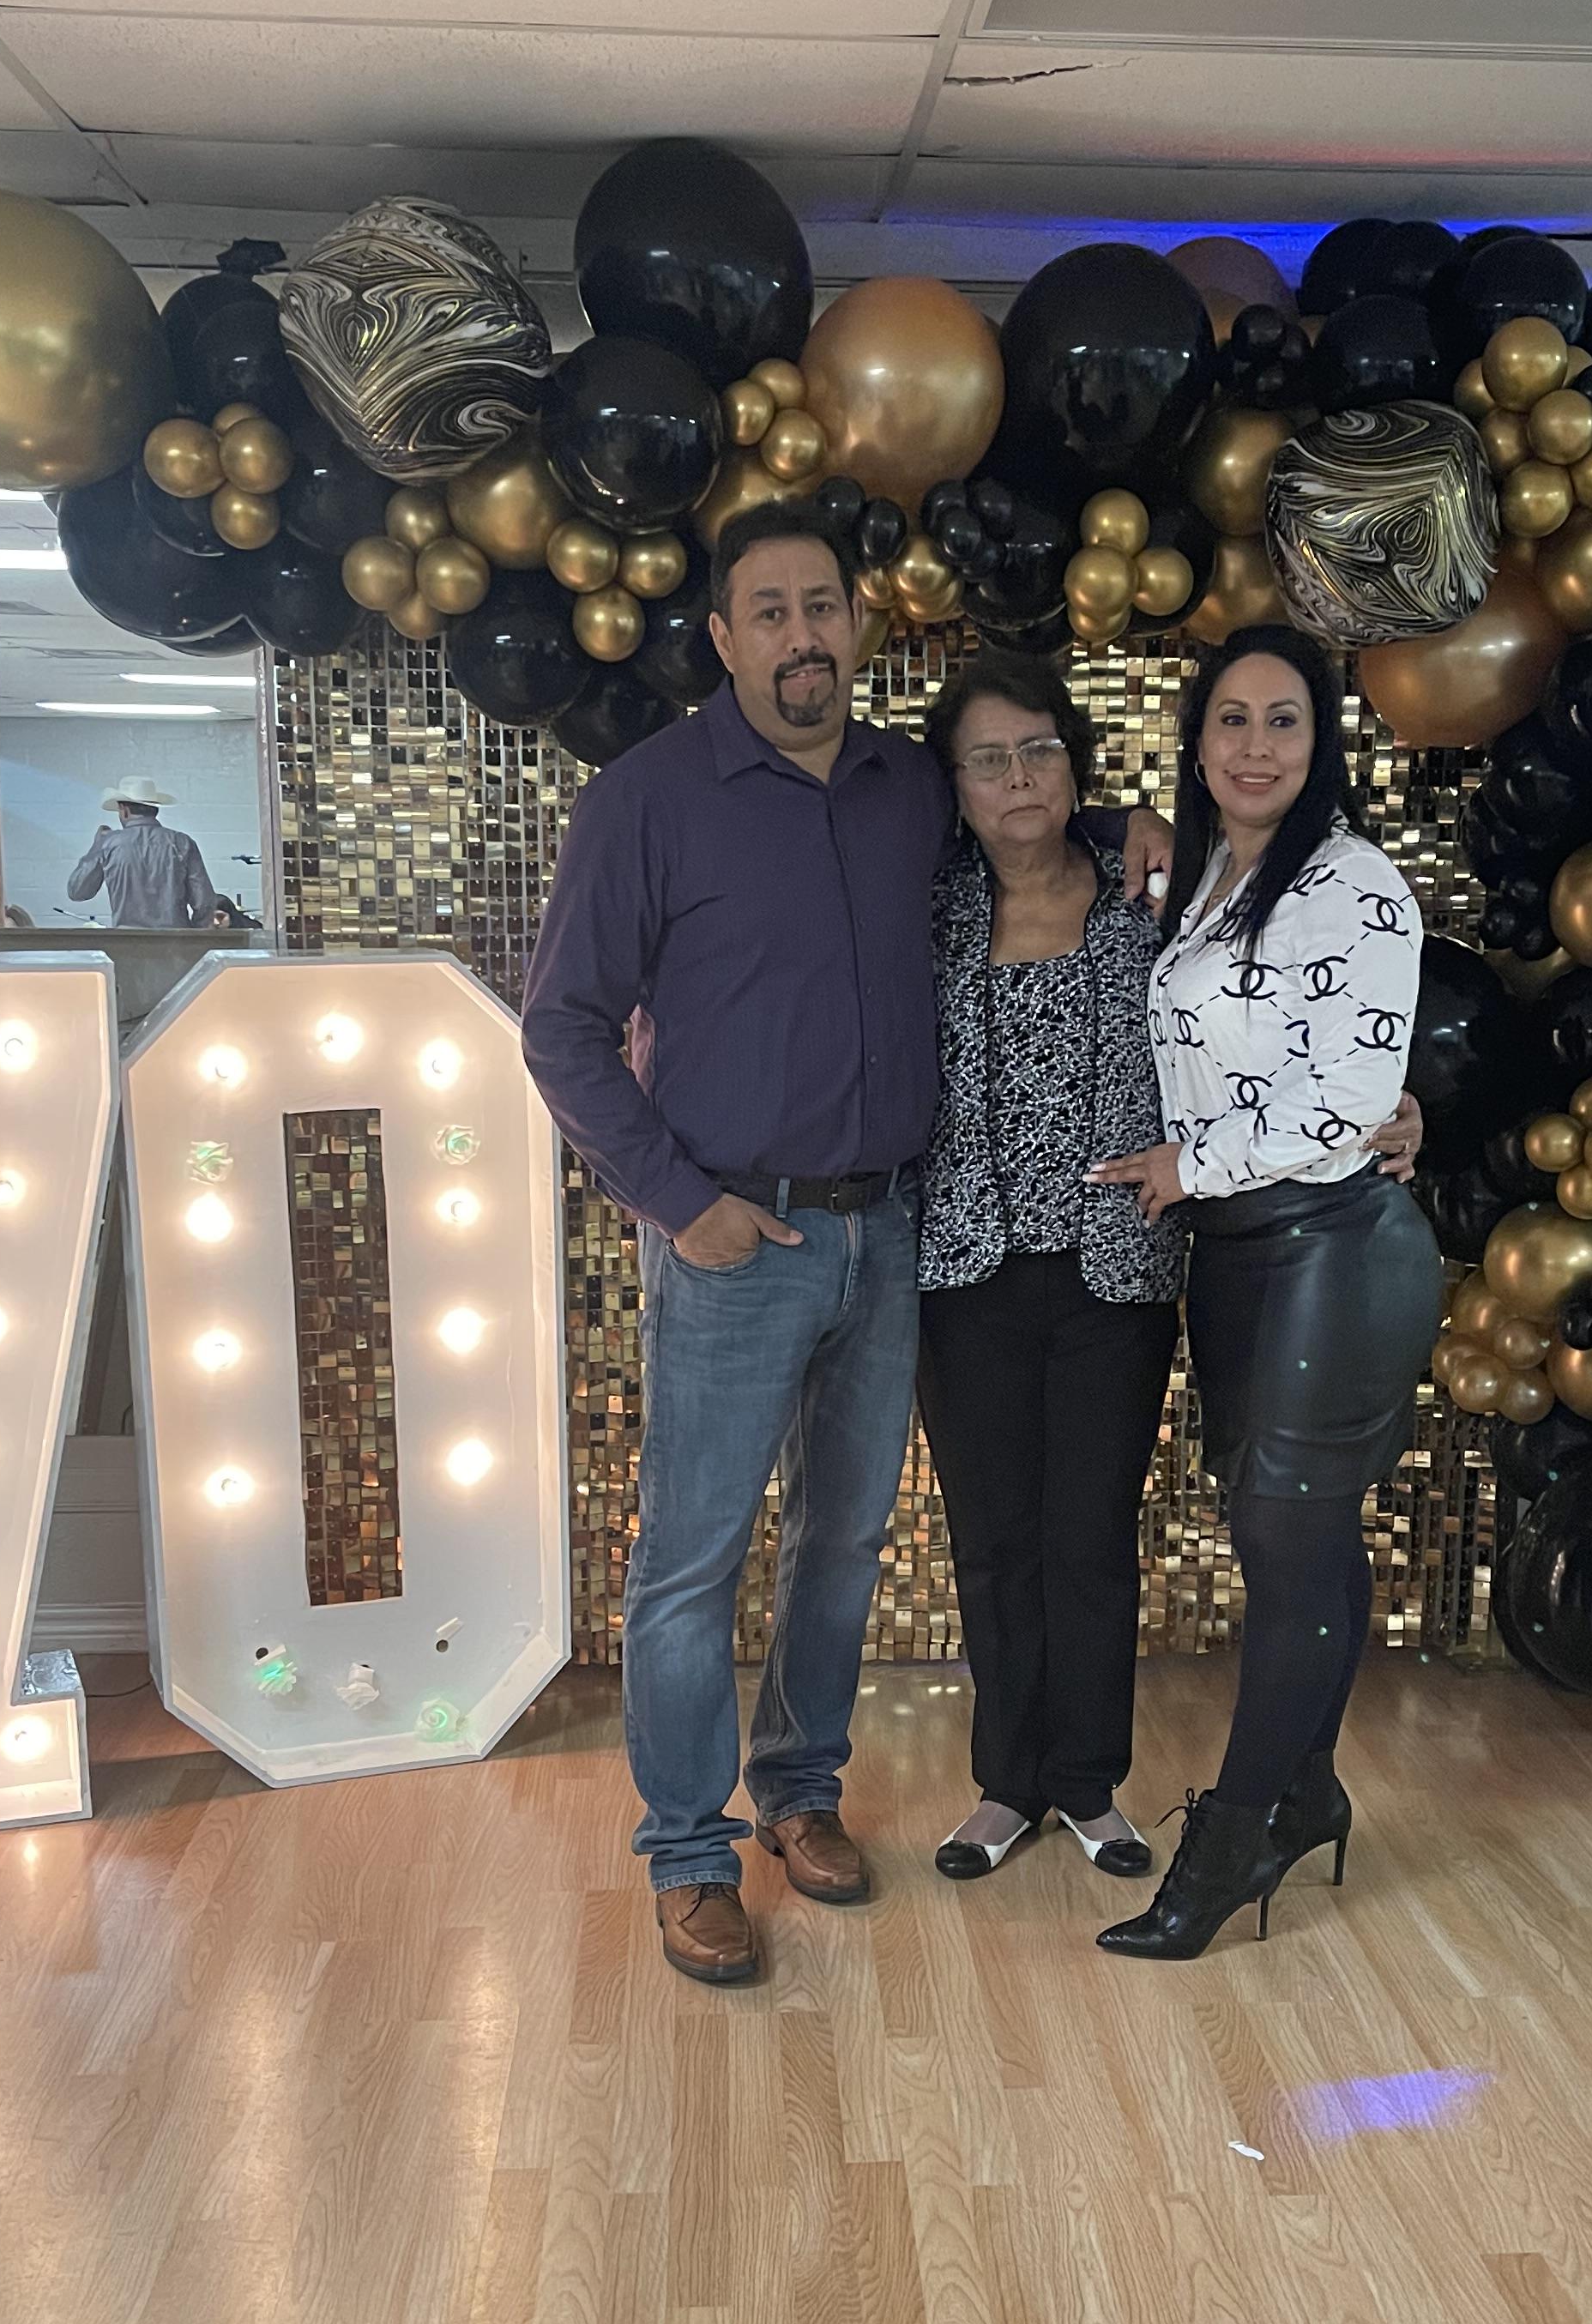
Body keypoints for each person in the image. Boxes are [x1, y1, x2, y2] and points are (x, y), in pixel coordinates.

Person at [521, 499, 1169, 1989]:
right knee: (692, 1559)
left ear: (857, 626)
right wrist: (679, 1202)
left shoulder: (902, 786)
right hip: (732, 1235)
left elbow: (1022, 813)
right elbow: (560, 1030)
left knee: (843, 1541)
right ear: (722, 636)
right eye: (770, 612)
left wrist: (1119, 822)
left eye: (822, 607)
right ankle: (689, 1854)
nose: (801, 636)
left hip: (892, 1233)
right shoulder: (645, 800)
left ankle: (799, 1793)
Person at [1089, 625, 1441, 1961]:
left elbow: (1353, 1095)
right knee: (1300, 1537)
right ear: (1197, 742)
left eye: (1282, 720)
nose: (1254, 745)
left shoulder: (1356, 886)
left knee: (1287, 1544)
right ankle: (1308, 1794)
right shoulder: (1205, 874)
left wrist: (1189, 1165)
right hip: (1238, 1255)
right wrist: (1125, 821)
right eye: (1230, 720)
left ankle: (1232, 1840)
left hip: (1332, 1250)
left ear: (1320, 741)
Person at [915, 654, 1185, 1886]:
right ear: (955, 786)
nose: (1017, 777)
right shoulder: (927, 902)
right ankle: (1006, 1784)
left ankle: (1087, 1783)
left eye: (1038, 750)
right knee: (992, 1539)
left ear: (1074, 766)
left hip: (1114, 1267)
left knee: (1089, 1536)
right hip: (965, 1266)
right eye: (988, 759)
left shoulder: (1152, 893)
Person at [67, 776, 216, 927]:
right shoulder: (182, 842)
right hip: (175, 937)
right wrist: (195, 933)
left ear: (124, 811)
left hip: (128, 938)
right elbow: (205, 902)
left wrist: (96, 847)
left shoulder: (109, 844)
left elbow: (77, 892)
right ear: (155, 810)